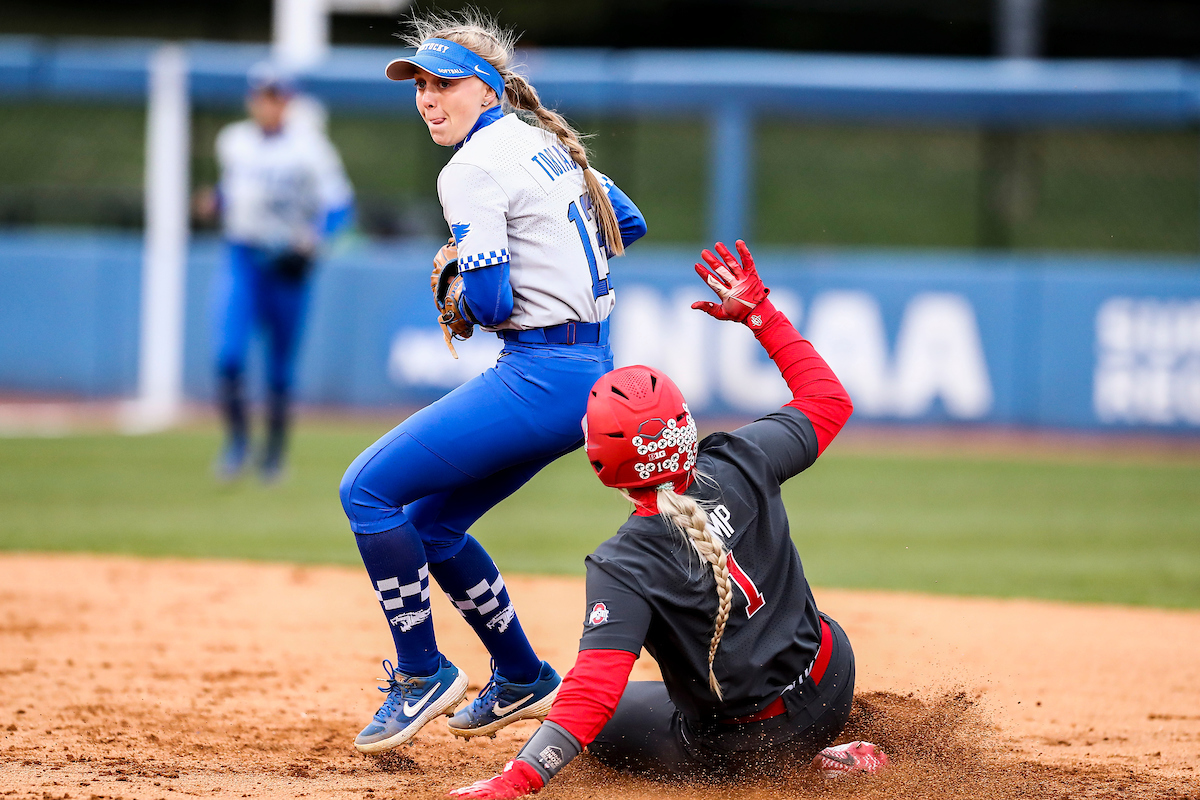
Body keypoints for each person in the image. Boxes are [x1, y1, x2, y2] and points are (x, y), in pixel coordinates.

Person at [448, 240, 887, 800]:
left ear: (603, 464)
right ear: (683, 425)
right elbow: (828, 401)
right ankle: (827, 742)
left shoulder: (624, 562)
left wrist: (515, 781)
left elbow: (594, 693)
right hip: (833, 679)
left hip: (757, 746)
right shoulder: (737, 458)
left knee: (586, 717)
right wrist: (759, 313)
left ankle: (816, 764)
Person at [338, 9, 647, 755]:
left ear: (484, 89)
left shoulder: (472, 168)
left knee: (366, 492)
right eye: (418, 87)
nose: (428, 99)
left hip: (540, 376)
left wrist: (460, 274)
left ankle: (422, 674)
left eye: (444, 84)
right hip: (586, 374)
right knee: (434, 529)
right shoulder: (541, 143)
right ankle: (519, 675)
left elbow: (492, 304)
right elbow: (627, 221)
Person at [204, 63, 354, 483]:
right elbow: (234, 192)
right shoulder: (234, 141)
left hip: (287, 263)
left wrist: (312, 241)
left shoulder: (311, 148)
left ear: (288, 101)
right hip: (243, 256)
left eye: (276, 96)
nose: (267, 105)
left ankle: (272, 454)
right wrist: (214, 201)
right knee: (228, 356)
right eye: (261, 96)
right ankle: (236, 444)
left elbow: (341, 209)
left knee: (280, 367)